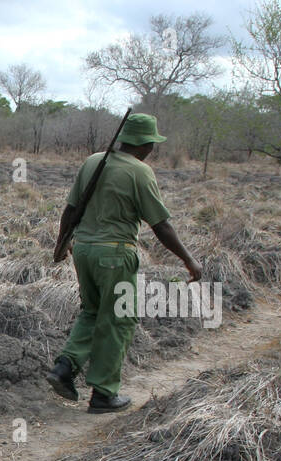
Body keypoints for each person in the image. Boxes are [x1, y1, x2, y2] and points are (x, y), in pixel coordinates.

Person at [46, 113, 202, 413]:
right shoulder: (140, 172)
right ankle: (104, 394)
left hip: (83, 251)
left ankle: (65, 367)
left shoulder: (94, 161)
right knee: (118, 319)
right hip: (115, 255)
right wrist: (189, 260)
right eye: (152, 144)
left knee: (92, 311)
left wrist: (61, 243)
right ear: (146, 145)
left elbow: (70, 209)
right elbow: (161, 225)